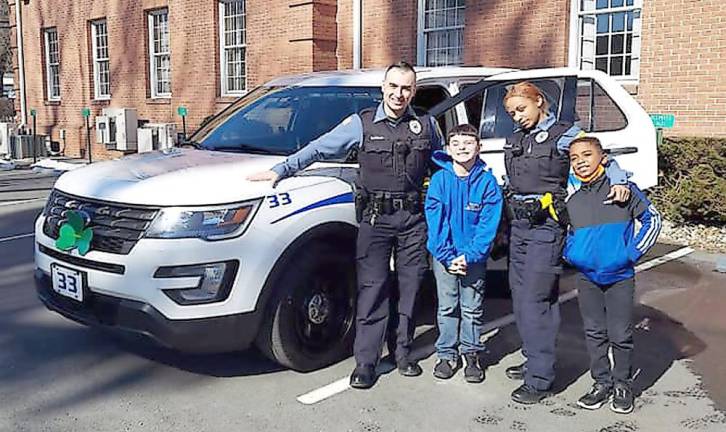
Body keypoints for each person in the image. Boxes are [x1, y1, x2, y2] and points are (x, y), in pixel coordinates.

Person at [247, 62, 444, 389]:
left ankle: (402, 353)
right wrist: (282, 169)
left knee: (409, 289)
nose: (399, 94)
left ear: (414, 91)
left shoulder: (426, 125)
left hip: (412, 221)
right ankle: (366, 362)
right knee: (372, 290)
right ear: (384, 87)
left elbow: (444, 166)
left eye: (406, 88)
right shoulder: (361, 124)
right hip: (375, 220)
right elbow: (320, 147)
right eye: (393, 86)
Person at [501, 81, 632, 404]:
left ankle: (540, 378)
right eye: (511, 112)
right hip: (518, 226)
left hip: (546, 228)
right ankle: (535, 358)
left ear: (539, 102)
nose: (516, 116)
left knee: (535, 298)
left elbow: (606, 159)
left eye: (521, 109)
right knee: (521, 299)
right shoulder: (516, 138)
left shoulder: (563, 134)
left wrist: (618, 183)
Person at [564, 136, 661, 414]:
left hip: (619, 276)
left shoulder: (623, 189)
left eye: (587, 155)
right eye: (574, 158)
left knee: (620, 334)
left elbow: (652, 220)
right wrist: (572, 255)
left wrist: (630, 254)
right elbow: (565, 233)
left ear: (603, 158)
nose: (580, 162)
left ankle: (622, 385)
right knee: (594, 333)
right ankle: (601, 383)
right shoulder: (574, 198)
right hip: (587, 277)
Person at [425, 124, 502, 383]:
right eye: (456, 143)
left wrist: (469, 256)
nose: (462, 148)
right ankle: (446, 354)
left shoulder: (488, 183)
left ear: (479, 147)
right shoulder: (439, 180)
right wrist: (447, 256)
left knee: (471, 308)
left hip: (473, 259)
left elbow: (487, 226)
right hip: (444, 256)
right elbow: (435, 222)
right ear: (448, 149)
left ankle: (471, 353)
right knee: (447, 307)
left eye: (468, 143)